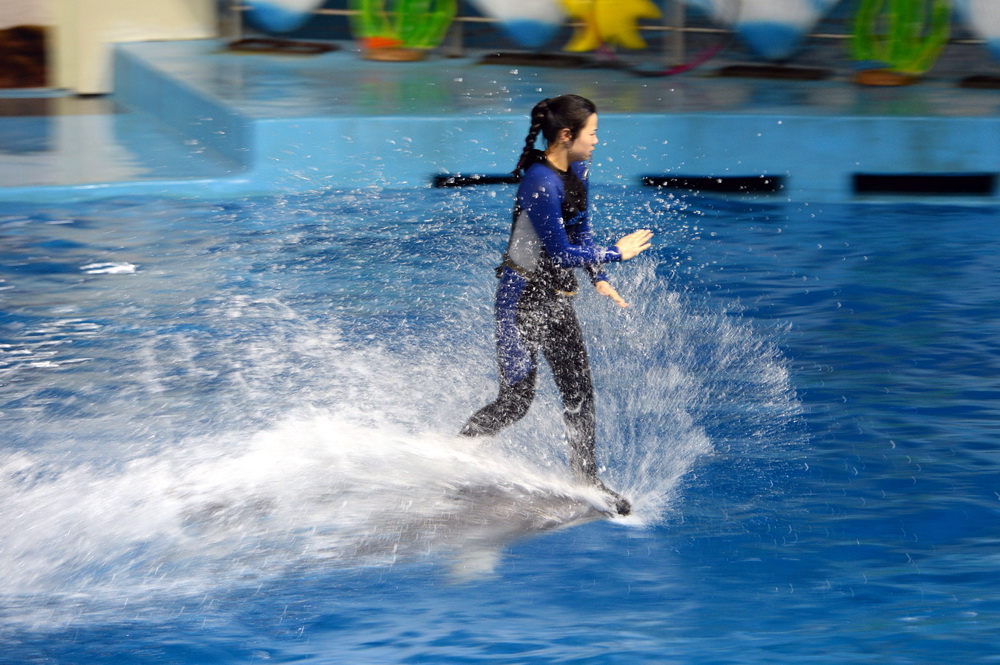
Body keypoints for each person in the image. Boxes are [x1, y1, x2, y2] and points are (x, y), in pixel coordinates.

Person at [459, 94, 653, 516]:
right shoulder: (539, 182)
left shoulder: (577, 170)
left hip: (554, 298)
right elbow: (560, 251)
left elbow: (580, 230)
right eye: (593, 132)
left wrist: (600, 278)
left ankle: (585, 479)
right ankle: (456, 453)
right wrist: (616, 254)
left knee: (579, 389)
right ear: (567, 135)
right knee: (516, 400)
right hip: (520, 300)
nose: (598, 140)